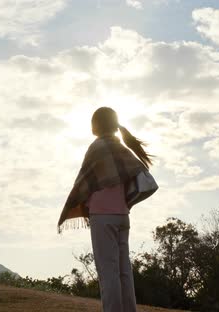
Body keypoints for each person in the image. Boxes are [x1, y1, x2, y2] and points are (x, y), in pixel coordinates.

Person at [57, 107, 153, 312]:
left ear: (96, 125)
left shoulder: (96, 148)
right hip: (122, 216)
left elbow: (83, 183)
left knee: (108, 273)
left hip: (102, 216)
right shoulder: (121, 148)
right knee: (124, 272)